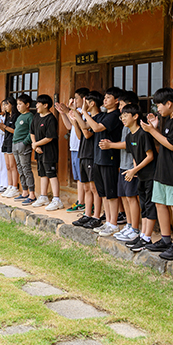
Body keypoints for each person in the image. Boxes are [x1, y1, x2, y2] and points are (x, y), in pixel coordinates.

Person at [140, 87, 173, 260]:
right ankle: (165, 239)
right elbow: (166, 141)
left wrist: (152, 131)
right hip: (162, 170)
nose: (157, 109)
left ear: (169, 103)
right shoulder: (169, 119)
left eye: (159, 105)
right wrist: (155, 129)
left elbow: (172, 145)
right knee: (160, 204)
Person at [99, 90, 139, 242]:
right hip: (123, 164)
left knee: (131, 197)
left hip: (130, 166)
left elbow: (130, 144)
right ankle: (129, 225)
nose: (120, 108)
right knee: (124, 197)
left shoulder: (133, 125)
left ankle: (134, 228)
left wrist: (111, 145)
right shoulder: (125, 124)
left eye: (122, 105)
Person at [83, 87, 123, 236]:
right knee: (104, 193)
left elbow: (97, 128)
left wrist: (85, 112)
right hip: (98, 158)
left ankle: (113, 224)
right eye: (104, 97)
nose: (105, 100)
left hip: (109, 159)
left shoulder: (115, 116)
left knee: (111, 193)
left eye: (108, 97)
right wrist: (75, 112)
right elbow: (86, 127)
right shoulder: (103, 115)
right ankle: (108, 221)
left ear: (116, 100)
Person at [121, 104, 157, 252]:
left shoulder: (143, 134)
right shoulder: (129, 136)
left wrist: (134, 169)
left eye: (125, 115)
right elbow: (135, 156)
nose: (122, 118)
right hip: (141, 175)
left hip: (151, 175)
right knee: (144, 205)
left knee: (149, 205)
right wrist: (134, 170)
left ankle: (147, 237)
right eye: (121, 116)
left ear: (135, 116)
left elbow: (150, 156)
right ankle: (143, 236)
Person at [69, 92, 104, 229]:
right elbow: (80, 135)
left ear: (92, 103)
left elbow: (88, 134)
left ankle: (96, 216)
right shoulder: (86, 117)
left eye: (85, 103)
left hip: (91, 155)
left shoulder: (98, 118)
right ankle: (87, 214)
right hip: (82, 154)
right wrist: (75, 118)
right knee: (86, 187)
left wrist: (80, 118)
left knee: (94, 188)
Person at [55, 87, 90, 212]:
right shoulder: (76, 111)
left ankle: (84, 202)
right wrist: (63, 113)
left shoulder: (86, 113)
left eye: (76, 98)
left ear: (83, 99)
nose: (74, 100)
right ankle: (80, 201)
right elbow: (70, 126)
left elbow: (80, 126)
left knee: (83, 178)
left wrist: (70, 110)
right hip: (74, 147)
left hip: (82, 148)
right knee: (79, 178)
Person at [30, 94, 63, 211]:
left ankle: (56, 199)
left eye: (39, 103)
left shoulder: (51, 119)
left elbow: (50, 137)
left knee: (51, 174)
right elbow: (32, 132)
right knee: (42, 173)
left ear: (46, 105)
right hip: (39, 150)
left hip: (49, 151)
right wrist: (35, 145)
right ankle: (43, 196)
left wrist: (36, 144)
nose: (37, 105)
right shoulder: (36, 117)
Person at [0, 97, 19, 198]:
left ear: (12, 104)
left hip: (13, 142)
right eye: (3, 105)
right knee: (7, 166)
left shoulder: (16, 116)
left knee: (13, 166)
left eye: (6, 104)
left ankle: (14, 187)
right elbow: (6, 130)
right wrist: (0, 127)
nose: (4, 107)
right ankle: (9, 185)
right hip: (6, 141)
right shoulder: (7, 116)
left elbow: (15, 131)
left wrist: (3, 126)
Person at [12, 94, 36, 205]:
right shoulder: (19, 116)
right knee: (20, 169)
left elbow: (31, 131)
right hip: (15, 144)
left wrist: (25, 142)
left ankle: (32, 193)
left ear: (27, 105)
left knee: (26, 169)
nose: (18, 106)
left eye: (20, 104)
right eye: (17, 104)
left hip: (23, 145)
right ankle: (25, 191)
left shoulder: (30, 116)